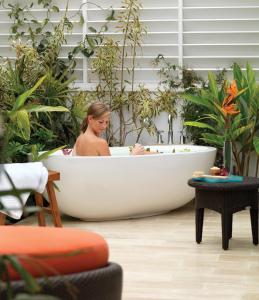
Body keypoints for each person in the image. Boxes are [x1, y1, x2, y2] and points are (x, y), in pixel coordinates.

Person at [72, 102, 146, 156]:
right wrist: (133, 155)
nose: (104, 126)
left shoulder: (79, 139)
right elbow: (112, 171)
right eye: (100, 122)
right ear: (90, 118)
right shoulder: (100, 143)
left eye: (107, 122)